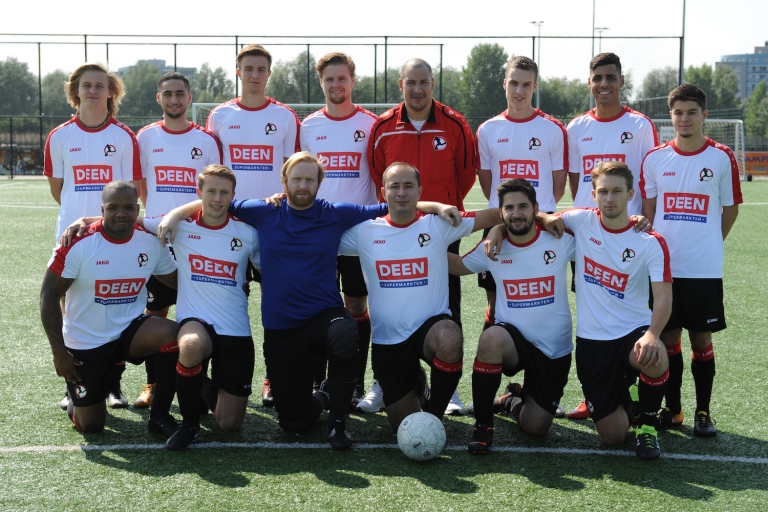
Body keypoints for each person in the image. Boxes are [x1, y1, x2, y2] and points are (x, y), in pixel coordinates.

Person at [157, 152, 457, 449]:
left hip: (323, 316)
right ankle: (324, 396)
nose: (303, 185)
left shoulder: (335, 212)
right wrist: (174, 215)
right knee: (294, 423)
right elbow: (213, 201)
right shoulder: (263, 210)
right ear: (284, 180)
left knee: (345, 333)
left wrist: (437, 206)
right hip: (282, 328)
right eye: (297, 178)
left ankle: (337, 424)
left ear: (319, 183)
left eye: (309, 179)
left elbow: (393, 204)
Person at [338, 162, 502, 434]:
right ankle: (417, 383)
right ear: (383, 192)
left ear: (420, 191)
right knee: (403, 425)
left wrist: (498, 229)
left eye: (408, 186)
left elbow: (501, 213)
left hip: (430, 329)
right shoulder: (364, 231)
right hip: (388, 341)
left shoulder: (439, 225)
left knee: (450, 335)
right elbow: (315, 232)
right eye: (395, 186)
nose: (401, 192)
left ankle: (435, 415)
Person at [534, 161, 672, 459]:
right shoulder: (580, 221)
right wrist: (499, 232)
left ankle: (648, 428)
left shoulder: (650, 241)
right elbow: (535, 217)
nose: (610, 198)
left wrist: (652, 334)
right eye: (604, 191)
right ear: (593, 194)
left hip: (632, 332)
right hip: (592, 342)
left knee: (655, 354)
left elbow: (663, 297)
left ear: (630, 193)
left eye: (617, 191)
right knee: (613, 436)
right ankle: (633, 396)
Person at [368, 58, 477, 415]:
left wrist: (439, 211)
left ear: (433, 84)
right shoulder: (383, 126)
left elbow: (465, 173)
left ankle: (449, 390)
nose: (417, 89)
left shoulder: (455, 124)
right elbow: (376, 174)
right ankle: (383, 381)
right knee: (388, 299)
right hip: (395, 226)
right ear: (401, 85)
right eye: (410, 82)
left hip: (439, 227)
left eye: (424, 82)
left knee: (447, 307)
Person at [639, 84, 742, 436]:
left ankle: (703, 412)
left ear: (704, 115)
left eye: (692, 112)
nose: (685, 119)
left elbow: (730, 209)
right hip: (664, 269)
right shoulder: (654, 158)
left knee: (701, 339)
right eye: (678, 112)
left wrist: (712, 241)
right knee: (668, 340)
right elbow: (650, 215)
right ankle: (675, 409)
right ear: (671, 116)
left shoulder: (721, 156)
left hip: (703, 268)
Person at [40, 181, 179, 434]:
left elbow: (178, 283)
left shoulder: (150, 242)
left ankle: (160, 415)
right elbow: (48, 297)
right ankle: (78, 400)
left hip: (129, 332)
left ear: (138, 210)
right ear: (102, 210)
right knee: (92, 426)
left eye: (128, 207)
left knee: (175, 334)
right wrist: (58, 352)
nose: (121, 213)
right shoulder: (78, 242)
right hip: (87, 342)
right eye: (113, 207)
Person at [447, 178, 574, 454]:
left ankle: (510, 400)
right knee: (491, 338)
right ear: (500, 212)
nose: (516, 213)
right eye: (509, 208)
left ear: (536, 208)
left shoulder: (560, 238)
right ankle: (483, 426)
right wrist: (419, 242)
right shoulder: (493, 247)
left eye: (523, 206)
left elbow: (598, 228)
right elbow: (456, 266)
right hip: (512, 342)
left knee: (536, 428)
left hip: (553, 350)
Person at [206, 44, 300, 407]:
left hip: (272, 227)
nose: (255, 75)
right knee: (226, 302)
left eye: (261, 69)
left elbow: (292, 173)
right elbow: (213, 173)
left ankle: (273, 378)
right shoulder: (220, 116)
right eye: (249, 68)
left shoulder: (286, 116)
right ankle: (219, 379)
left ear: (269, 74)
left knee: (276, 305)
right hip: (229, 225)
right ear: (238, 72)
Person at [565, 52, 658, 419]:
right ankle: (597, 394)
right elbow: (578, 185)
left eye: (610, 77)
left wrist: (646, 225)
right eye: (597, 78)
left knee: (634, 312)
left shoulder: (639, 125)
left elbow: (648, 183)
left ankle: (644, 398)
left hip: (630, 238)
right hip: (591, 240)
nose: (604, 84)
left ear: (621, 82)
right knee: (591, 310)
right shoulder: (575, 128)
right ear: (590, 83)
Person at [44, 62, 141, 410]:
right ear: (76, 92)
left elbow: (133, 189)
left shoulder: (124, 137)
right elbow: (59, 191)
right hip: (71, 236)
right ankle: (74, 383)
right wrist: (79, 219)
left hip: (113, 236)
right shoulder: (59, 136)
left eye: (101, 86)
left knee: (112, 307)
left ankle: (113, 385)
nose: (94, 91)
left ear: (111, 92)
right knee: (71, 309)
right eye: (87, 86)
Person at [132, 71, 223, 409]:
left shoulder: (207, 140)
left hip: (198, 240)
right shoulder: (145, 137)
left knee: (202, 313)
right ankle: (154, 385)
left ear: (189, 98)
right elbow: (143, 188)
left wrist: (180, 215)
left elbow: (214, 191)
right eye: (167, 93)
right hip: (158, 242)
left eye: (179, 93)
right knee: (156, 313)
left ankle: (197, 384)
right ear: (159, 98)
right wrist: (159, 217)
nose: (173, 99)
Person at [300, 52, 378, 411]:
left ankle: (352, 381)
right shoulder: (309, 127)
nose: (336, 85)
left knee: (356, 305)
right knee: (317, 306)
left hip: (359, 233)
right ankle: (318, 380)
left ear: (352, 80)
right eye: (329, 79)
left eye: (341, 78)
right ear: (322, 83)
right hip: (318, 234)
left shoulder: (372, 124)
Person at [475, 56, 567, 332]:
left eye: (526, 84)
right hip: (498, 221)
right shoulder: (488, 130)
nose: (519, 91)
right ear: (505, 84)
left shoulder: (553, 129)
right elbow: (488, 185)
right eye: (513, 83)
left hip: (540, 224)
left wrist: (536, 214)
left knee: (540, 297)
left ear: (535, 86)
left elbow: (558, 187)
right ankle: (495, 357)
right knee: (494, 297)